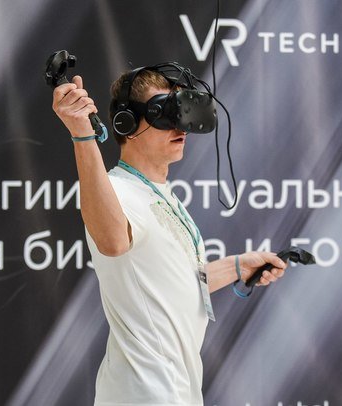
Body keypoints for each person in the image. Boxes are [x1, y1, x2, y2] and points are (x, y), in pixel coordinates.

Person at [51, 66, 288, 405]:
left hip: (176, 392)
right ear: (126, 124)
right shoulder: (116, 191)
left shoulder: (162, 195)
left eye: (183, 113)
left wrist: (237, 266)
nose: (180, 128)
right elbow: (113, 243)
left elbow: (170, 286)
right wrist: (82, 135)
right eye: (164, 115)